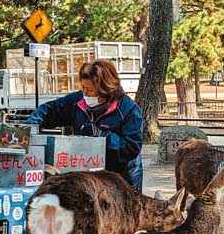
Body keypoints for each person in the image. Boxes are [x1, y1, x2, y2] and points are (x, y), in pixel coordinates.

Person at [27, 59, 145, 191]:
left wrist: (103, 136)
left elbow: (131, 147)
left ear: (105, 89)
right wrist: (30, 125)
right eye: (83, 88)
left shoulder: (129, 110)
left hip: (122, 176)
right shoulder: (77, 102)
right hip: (89, 175)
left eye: (90, 90)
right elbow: (50, 110)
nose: (86, 94)